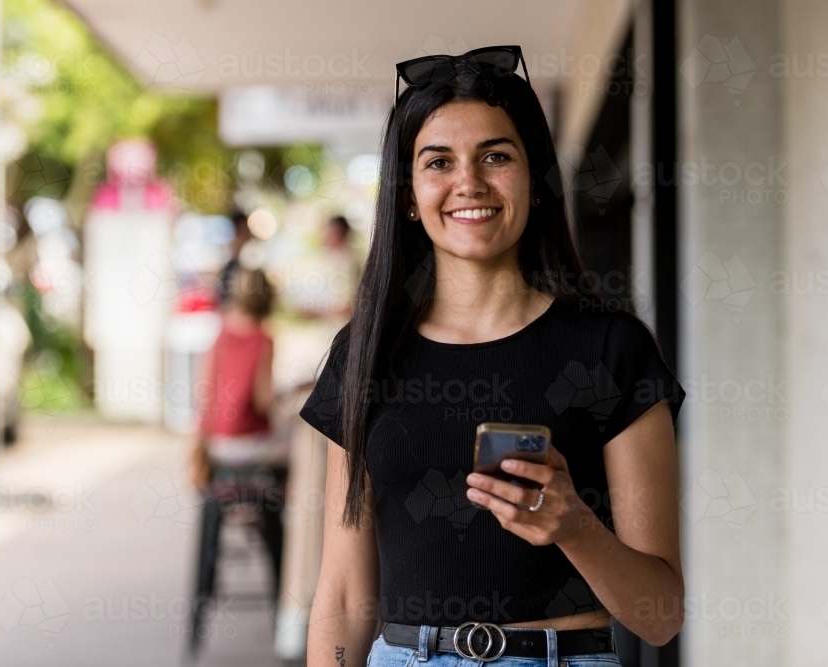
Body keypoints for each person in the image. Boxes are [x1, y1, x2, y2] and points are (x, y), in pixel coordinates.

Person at [298, 46, 686, 667]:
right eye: (438, 162)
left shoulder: (612, 349)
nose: (468, 183)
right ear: (406, 196)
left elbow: (662, 616)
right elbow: (343, 595)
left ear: (535, 182)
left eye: (496, 156)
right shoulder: (365, 353)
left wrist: (575, 527)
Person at [188, 267, 287, 652]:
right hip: (249, 449)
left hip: (217, 449)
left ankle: (247, 509)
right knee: (296, 454)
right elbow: (263, 400)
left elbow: (205, 395)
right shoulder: (264, 338)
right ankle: (270, 524)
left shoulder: (221, 334)